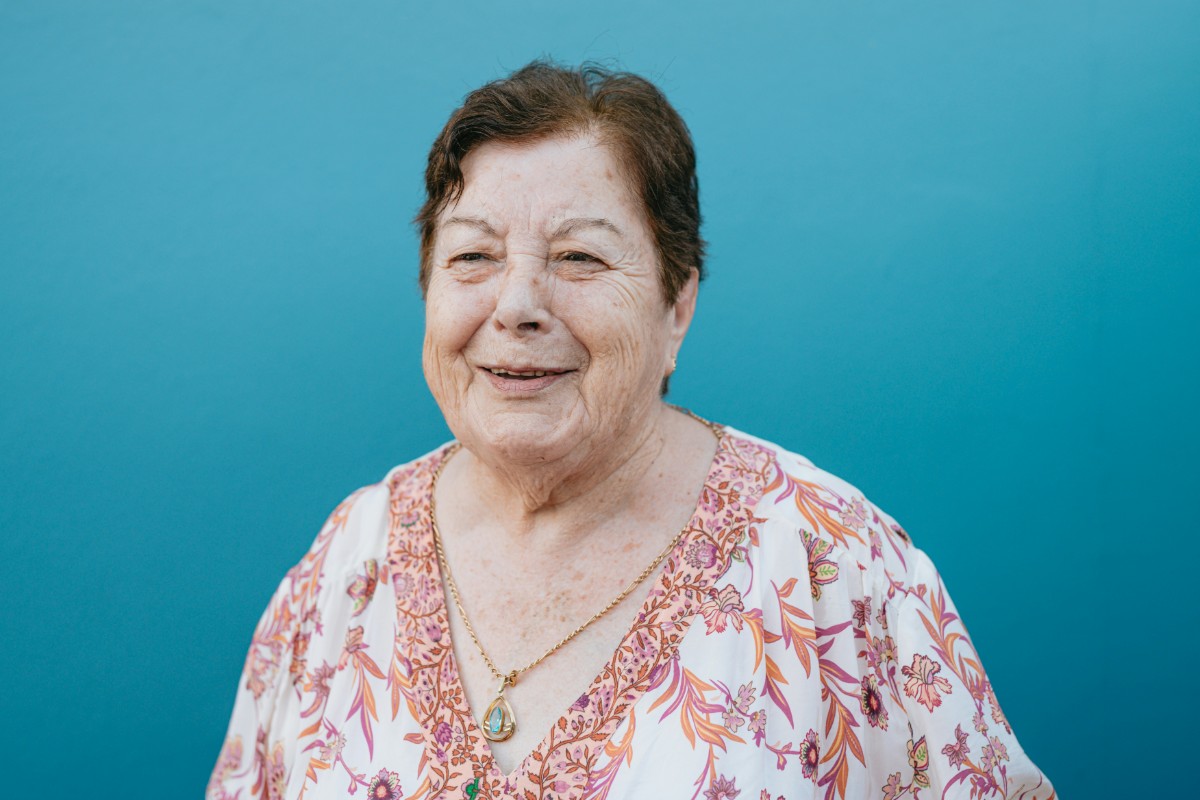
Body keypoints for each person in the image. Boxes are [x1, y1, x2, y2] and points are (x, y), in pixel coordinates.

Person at [208, 61, 1054, 800]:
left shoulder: (836, 564)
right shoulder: (345, 565)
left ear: (677, 303)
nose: (518, 307)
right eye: (473, 257)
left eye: (579, 258)